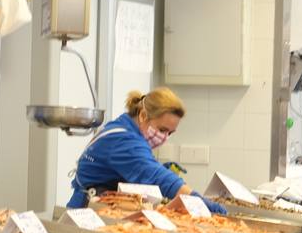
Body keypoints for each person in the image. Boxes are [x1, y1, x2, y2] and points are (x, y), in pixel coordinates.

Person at [68, 87, 225, 213]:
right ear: (143, 115)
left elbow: (140, 167)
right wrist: (197, 200)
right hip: (87, 212)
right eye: (162, 129)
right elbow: (156, 176)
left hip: (101, 207)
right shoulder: (124, 140)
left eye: (170, 133)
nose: (164, 137)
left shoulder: (126, 125)